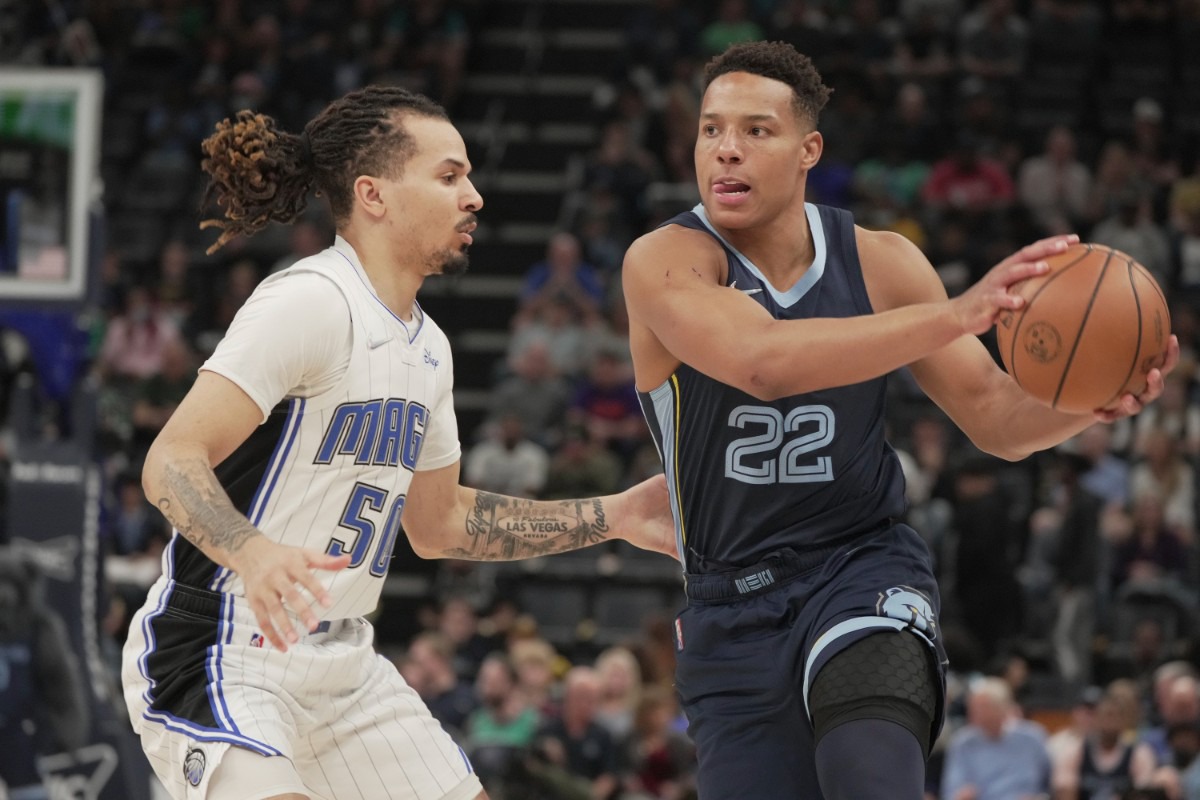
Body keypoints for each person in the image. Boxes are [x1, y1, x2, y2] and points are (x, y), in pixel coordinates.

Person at [620, 40, 1179, 800]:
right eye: (711, 129)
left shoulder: (881, 263)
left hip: (859, 570)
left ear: (808, 148)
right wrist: (954, 315)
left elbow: (994, 417)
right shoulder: (663, 260)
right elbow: (760, 360)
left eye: (757, 131)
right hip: (729, 608)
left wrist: (1084, 404)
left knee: (871, 779)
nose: (726, 151)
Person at [120, 85, 675, 800]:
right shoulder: (311, 301)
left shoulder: (431, 349)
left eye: (469, 176)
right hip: (223, 648)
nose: (473, 196)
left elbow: (441, 525)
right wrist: (251, 552)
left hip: (343, 663)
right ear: (373, 194)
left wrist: (616, 517)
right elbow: (169, 461)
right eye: (449, 176)